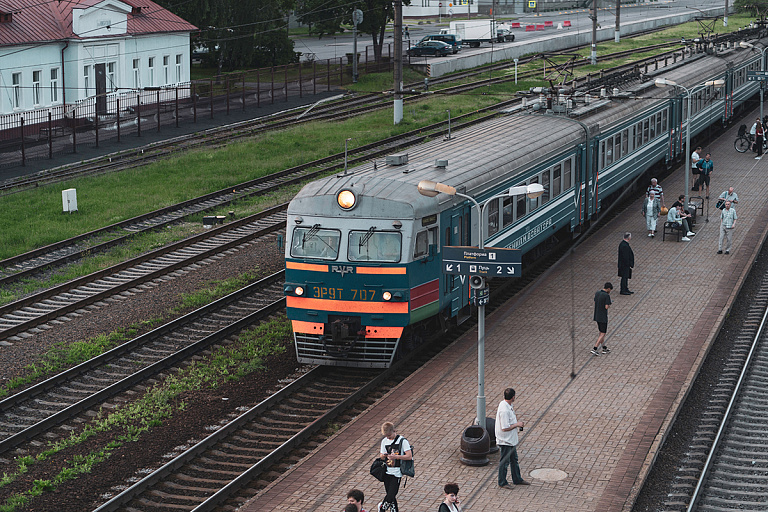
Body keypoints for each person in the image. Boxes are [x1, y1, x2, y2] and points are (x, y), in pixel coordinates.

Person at [495, 388, 530, 488]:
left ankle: (517, 478)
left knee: (514, 459)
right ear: (513, 397)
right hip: (506, 440)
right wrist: (517, 424)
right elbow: (505, 427)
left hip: (510, 440)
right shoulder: (505, 410)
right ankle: (502, 482)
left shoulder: (505, 404)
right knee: (504, 462)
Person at [379, 422, 412, 512]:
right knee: (391, 496)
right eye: (386, 436)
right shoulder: (384, 441)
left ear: (394, 431)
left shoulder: (402, 441)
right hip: (387, 471)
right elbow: (381, 456)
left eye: (389, 435)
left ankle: (381, 509)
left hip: (397, 472)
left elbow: (409, 456)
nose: (388, 438)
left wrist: (396, 457)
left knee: (390, 495)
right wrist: (384, 455)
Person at [592, 282, 613, 356]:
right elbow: (606, 307)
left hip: (597, 315)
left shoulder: (597, 293)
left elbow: (595, 302)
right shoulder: (606, 296)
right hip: (603, 316)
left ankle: (604, 347)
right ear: (608, 289)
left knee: (601, 332)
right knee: (603, 333)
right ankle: (595, 348)